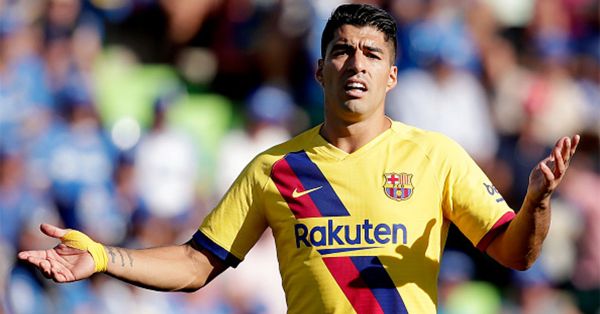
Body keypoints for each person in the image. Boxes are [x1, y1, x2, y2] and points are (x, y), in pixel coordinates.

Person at [18, 4, 580, 313]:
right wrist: (102, 256)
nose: (356, 64)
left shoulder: (435, 155)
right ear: (319, 70)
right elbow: (195, 266)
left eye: (371, 54)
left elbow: (516, 253)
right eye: (341, 51)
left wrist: (537, 201)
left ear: (392, 76)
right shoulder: (275, 169)